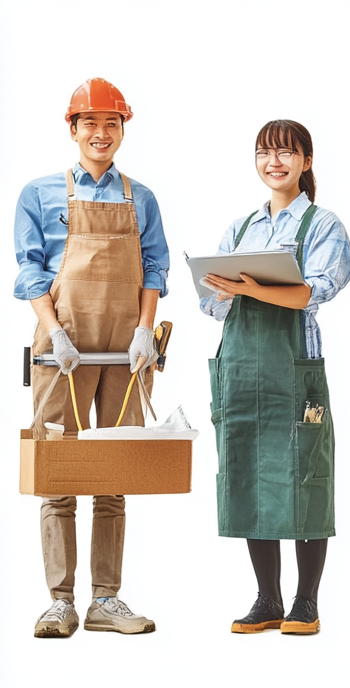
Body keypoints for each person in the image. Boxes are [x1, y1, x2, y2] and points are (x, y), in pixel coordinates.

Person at [16, 77, 168, 638]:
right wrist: (53, 331)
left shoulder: (140, 196)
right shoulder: (40, 193)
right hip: (65, 347)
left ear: (123, 129)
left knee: (115, 471)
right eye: (91, 123)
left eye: (112, 123)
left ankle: (106, 598)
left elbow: (154, 269)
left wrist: (145, 332)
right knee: (58, 469)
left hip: (126, 349)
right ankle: (60, 600)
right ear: (73, 128)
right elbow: (30, 270)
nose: (101, 133)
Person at [200, 120, 350, 636]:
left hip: (294, 370)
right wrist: (226, 290)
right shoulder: (241, 229)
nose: (275, 162)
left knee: (306, 476)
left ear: (306, 162)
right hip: (242, 370)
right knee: (247, 476)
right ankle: (267, 598)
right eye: (265, 152)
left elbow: (313, 293)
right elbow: (210, 304)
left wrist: (248, 287)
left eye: (287, 152)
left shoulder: (322, 225)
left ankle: (305, 601)